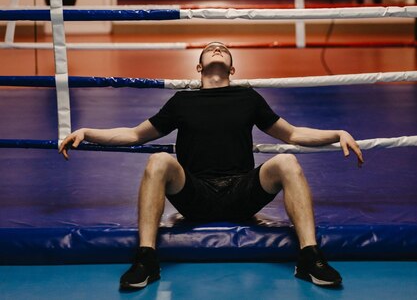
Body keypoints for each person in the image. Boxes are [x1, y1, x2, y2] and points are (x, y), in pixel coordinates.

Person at [59, 41, 364, 290]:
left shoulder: (248, 98)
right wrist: (88, 132)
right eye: (210, 48)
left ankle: (310, 257)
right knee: (158, 160)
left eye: (223, 48)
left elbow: (293, 133)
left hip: (242, 192)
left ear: (232, 68)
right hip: (196, 195)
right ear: (199, 66)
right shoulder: (181, 101)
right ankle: (146, 259)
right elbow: (136, 134)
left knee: (286, 161)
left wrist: (336, 134)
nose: (217, 48)